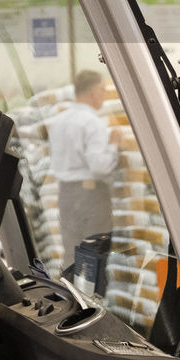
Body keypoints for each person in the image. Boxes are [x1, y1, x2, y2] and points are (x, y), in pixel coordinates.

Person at [47, 69, 121, 265]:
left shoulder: (58, 121)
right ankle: (92, 296)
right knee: (95, 254)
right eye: (103, 90)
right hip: (91, 197)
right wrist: (114, 144)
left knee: (72, 252)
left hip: (66, 195)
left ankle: (71, 293)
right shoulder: (92, 122)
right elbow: (100, 167)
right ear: (94, 91)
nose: (104, 95)